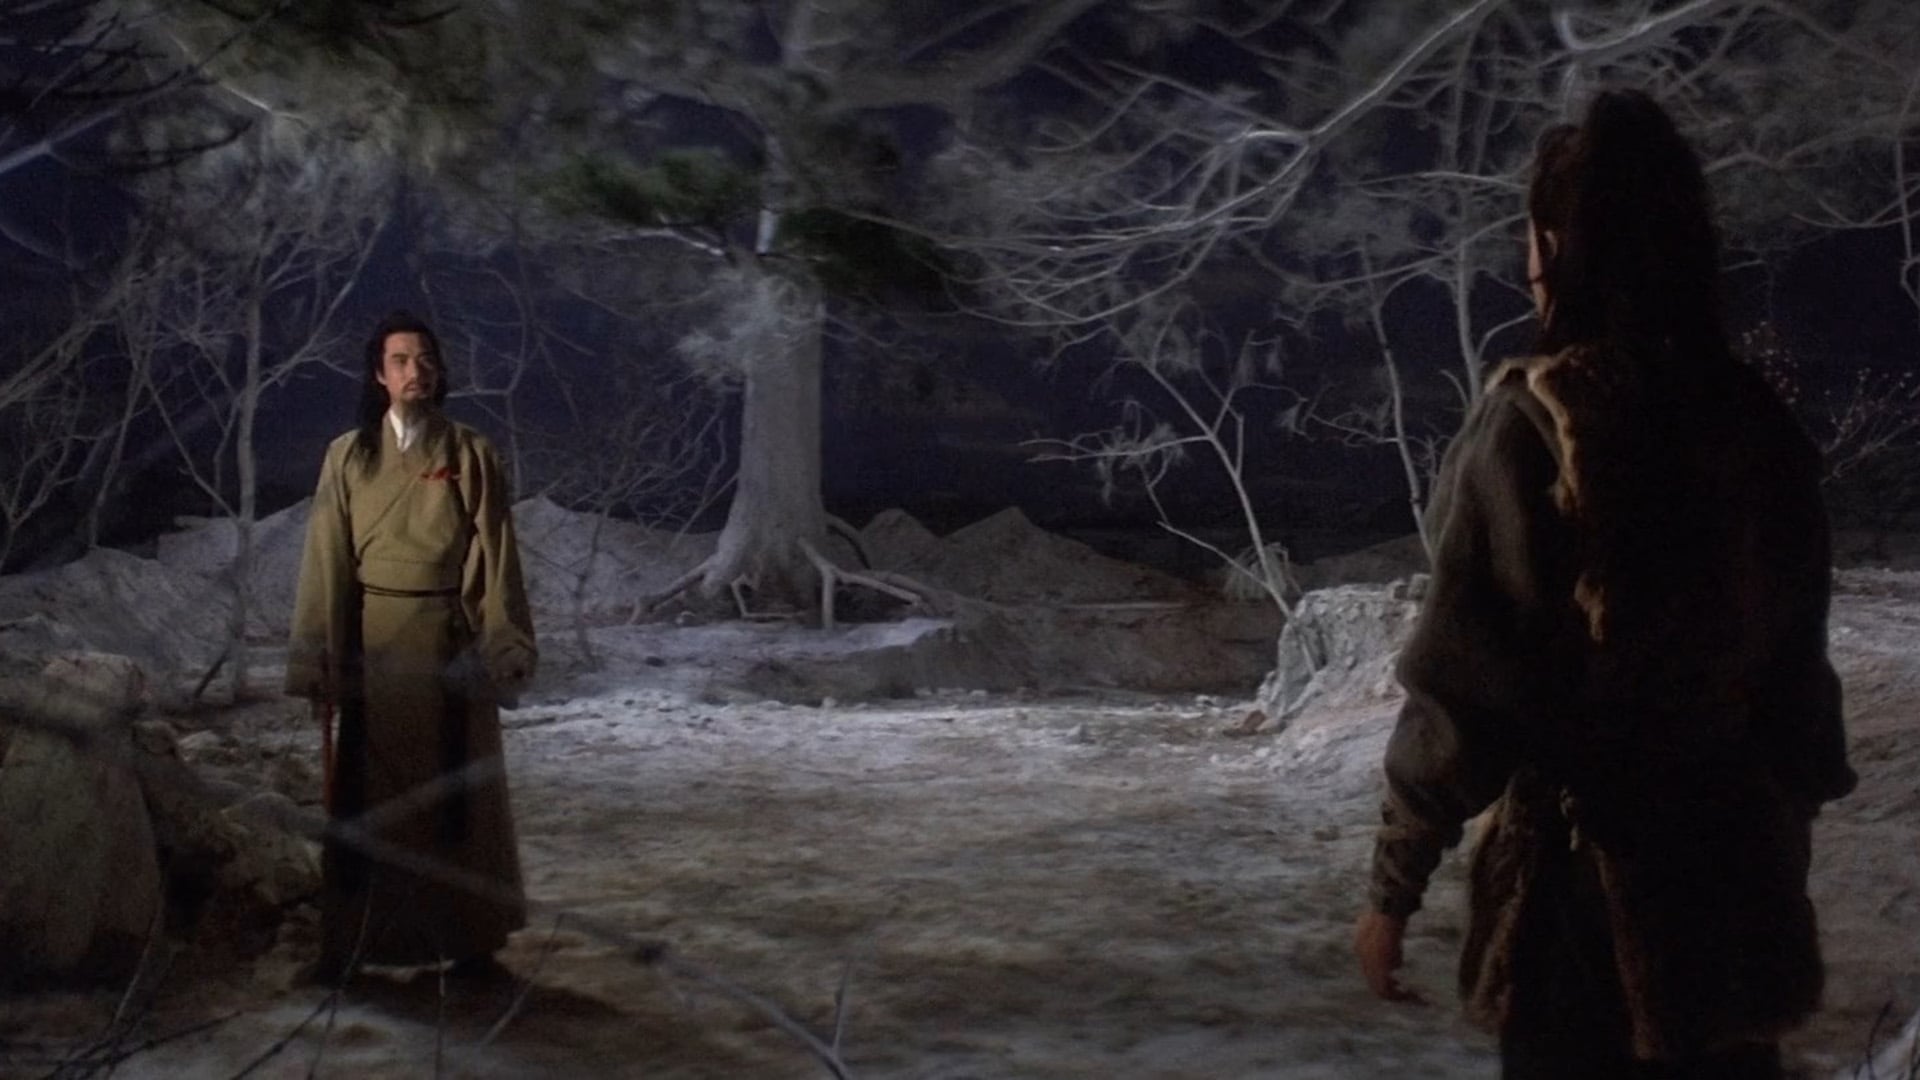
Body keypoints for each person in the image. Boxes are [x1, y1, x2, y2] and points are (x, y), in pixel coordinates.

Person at [1352, 89, 1856, 1079]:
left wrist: (1390, 892)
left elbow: (1462, 691)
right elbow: (1800, 689)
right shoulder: (1753, 422)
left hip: (1584, 906)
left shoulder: (1537, 424)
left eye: (1533, 237)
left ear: (1557, 245)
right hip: (1735, 895)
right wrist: (1770, 837)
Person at [287, 310, 537, 980]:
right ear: (378, 373)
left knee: (457, 802)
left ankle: (471, 948)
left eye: (425, 359)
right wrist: (319, 658)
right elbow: (327, 560)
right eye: (400, 360)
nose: (414, 372)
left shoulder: (470, 453)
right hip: (375, 652)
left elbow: (495, 558)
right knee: (370, 804)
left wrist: (503, 645)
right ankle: (352, 946)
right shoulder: (348, 455)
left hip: (448, 652)